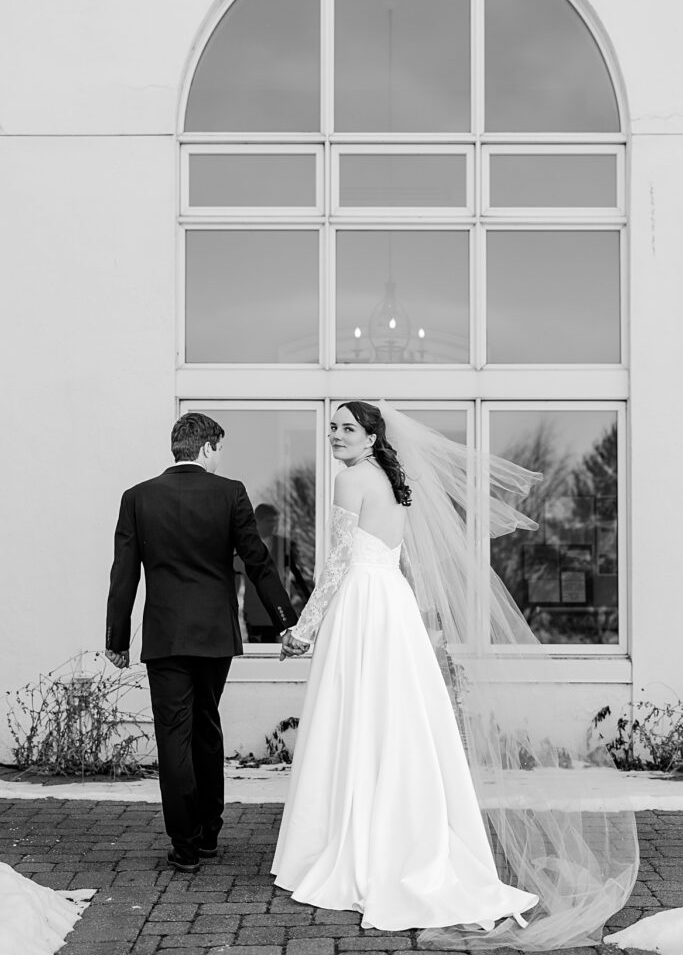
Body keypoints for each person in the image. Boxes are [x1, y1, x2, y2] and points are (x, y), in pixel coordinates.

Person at [272, 401, 639, 949]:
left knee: (356, 715)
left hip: (364, 605)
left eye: (348, 428)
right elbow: (398, 561)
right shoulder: (394, 483)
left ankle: (351, 838)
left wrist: (303, 629)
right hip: (390, 605)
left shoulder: (352, 481)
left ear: (372, 437)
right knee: (396, 719)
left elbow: (338, 564)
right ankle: (397, 826)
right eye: (333, 428)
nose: (336, 436)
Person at [105, 412, 300, 872]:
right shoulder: (230, 493)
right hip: (214, 635)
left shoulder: (137, 498)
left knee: (175, 735)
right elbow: (258, 562)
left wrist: (116, 637)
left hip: (165, 635)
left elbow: (124, 572)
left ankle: (185, 845)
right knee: (207, 727)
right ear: (208, 448)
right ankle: (209, 832)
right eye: (220, 449)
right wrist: (285, 621)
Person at [235, 504, 312, 644]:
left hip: (280, 609)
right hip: (253, 610)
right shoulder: (244, 544)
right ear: (257, 521)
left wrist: (309, 601)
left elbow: (297, 574)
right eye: (269, 521)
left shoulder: (284, 544)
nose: (274, 526)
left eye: (275, 521)